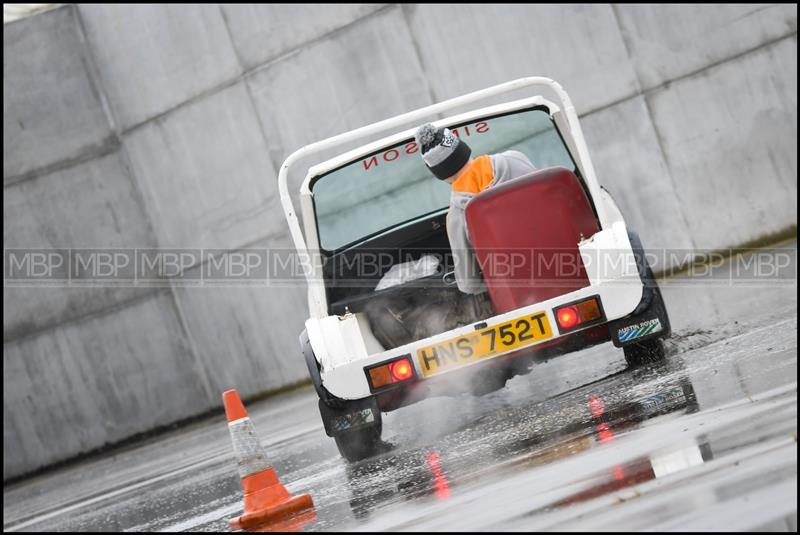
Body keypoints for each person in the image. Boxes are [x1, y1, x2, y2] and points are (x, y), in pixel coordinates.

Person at [414, 123, 536, 294]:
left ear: (438, 173)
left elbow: (469, 284)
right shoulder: (515, 158)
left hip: (522, 294)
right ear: (461, 146)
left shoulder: (457, 215)